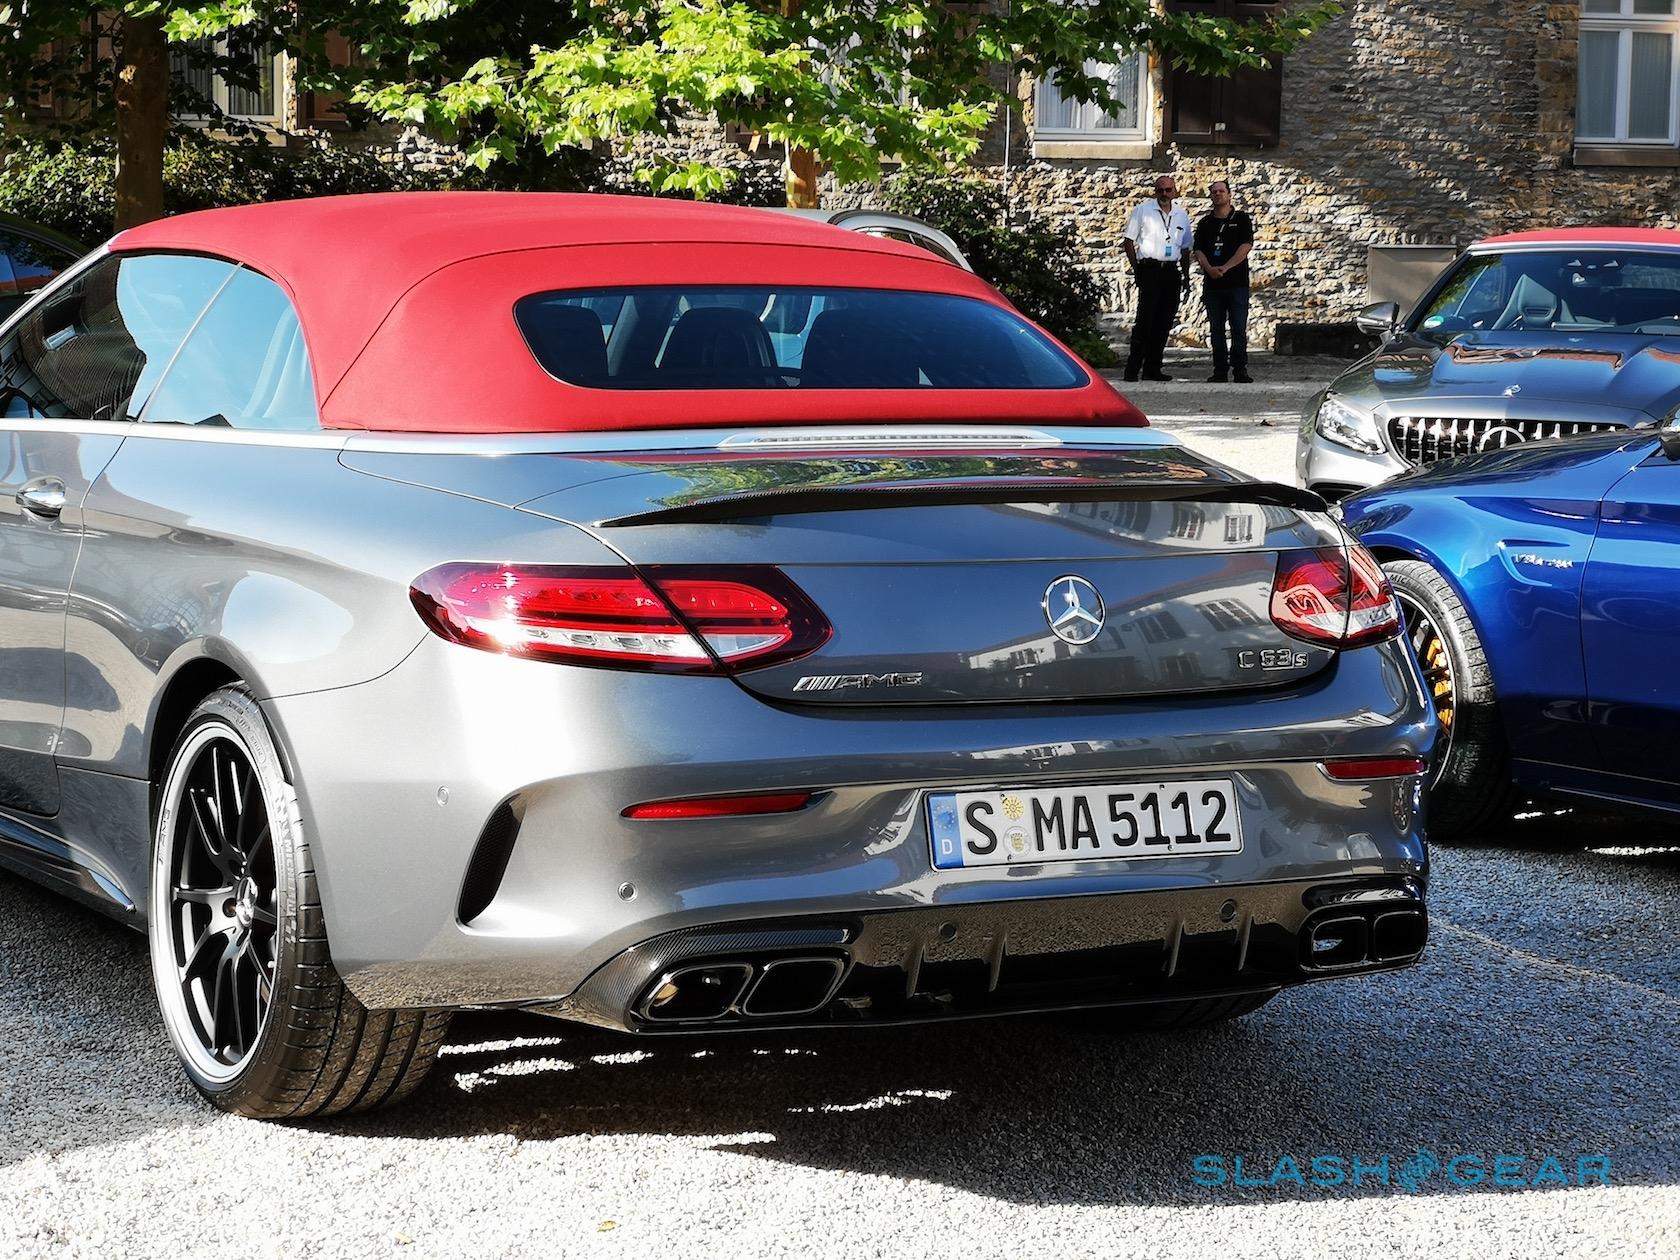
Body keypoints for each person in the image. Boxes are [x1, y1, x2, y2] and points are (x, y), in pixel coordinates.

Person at [1121, 175, 1193, 382]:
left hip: (1171, 271)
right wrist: (1137, 269)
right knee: (1144, 321)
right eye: (1160, 190)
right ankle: (1132, 369)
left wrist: (1186, 275)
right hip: (1150, 268)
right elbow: (1128, 242)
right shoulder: (1142, 211)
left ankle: (1153, 368)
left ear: (1174, 191)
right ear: (1155, 191)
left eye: (1168, 190)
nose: (1164, 194)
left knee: (1164, 321)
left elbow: (1186, 247)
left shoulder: (1181, 214)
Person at [1192, 179, 1255, 383]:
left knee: (1238, 326)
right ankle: (1219, 369)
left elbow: (1245, 246)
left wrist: (1226, 267)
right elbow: (1198, 249)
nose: (1218, 194)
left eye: (1222, 191)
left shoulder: (1242, 219)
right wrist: (1209, 268)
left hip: (1237, 284)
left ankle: (1240, 369)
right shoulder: (1205, 223)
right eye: (1214, 191)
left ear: (1229, 194)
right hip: (1213, 285)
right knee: (1216, 328)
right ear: (1210, 196)